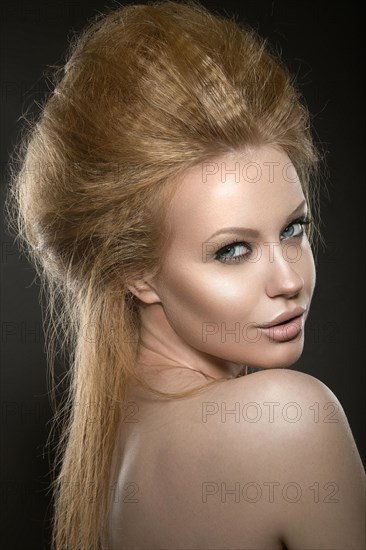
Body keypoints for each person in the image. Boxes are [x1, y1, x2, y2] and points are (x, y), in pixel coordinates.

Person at [6, 1, 364, 549]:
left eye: (293, 229)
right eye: (233, 250)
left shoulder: (110, 449)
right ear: (136, 271)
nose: (288, 280)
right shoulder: (289, 421)